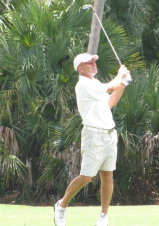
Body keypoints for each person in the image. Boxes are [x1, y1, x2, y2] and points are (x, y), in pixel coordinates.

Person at [54, 53, 131, 226]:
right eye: (89, 62)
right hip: (94, 135)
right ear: (80, 68)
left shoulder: (95, 84)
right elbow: (111, 86)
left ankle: (104, 216)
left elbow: (109, 103)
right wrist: (121, 74)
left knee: (107, 175)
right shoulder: (83, 85)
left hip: (109, 134)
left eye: (94, 61)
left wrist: (123, 84)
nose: (94, 64)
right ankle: (62, 205)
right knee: (87, 176)